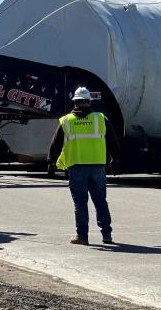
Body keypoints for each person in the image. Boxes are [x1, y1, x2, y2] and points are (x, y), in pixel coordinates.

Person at [48, 87, 120, 245]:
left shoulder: (66, 120)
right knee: (100, 200)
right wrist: (115, 159)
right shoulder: (100, 118)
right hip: (98, 166)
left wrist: (51, 161)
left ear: (74, 102)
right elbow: (113, 142)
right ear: (89, 102)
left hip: (76, 166)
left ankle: (82, 236)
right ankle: (106, 235)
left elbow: (56, 143)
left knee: (80, 202)